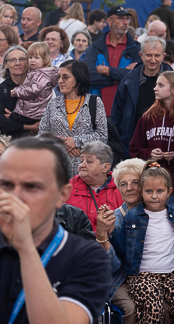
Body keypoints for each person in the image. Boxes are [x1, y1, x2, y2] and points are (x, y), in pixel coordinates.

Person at [0, 136, 113, 324]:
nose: (15, 197)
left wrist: (27, 248)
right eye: (6, 185)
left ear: (62, 195)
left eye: (32, 187)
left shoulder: (87, 257)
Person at [110, 160, 174, 324]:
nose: (154, 196)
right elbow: (120, 248)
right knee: (153, 308)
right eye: (149, 191)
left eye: (159, 191)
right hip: (142, 276)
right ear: (143, 191)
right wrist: (109, 232)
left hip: (172, 274)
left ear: (169, 192)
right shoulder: (132, 216)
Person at [94, 157, 146, 324]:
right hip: (122, 280)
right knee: (132, 308)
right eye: (123, 184)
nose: (129, 188)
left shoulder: (158, 213)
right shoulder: (114, 218)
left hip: (157, 276)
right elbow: (113, 267)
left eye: (135, 182)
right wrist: (102, 236)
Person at [39, 60, 109, 171]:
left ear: (79, 79)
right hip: (58, 167)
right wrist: (63, 142)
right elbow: (43, 133)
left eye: (65, 77)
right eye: (59, 77)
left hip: (87, 169)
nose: (60, 81)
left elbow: (102, 135)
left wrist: (76, 141)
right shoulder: (53, 103)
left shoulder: (94, 102)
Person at [111, 36, 171, 158]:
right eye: (149, 55)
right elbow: (117, 115)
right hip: (132, 146)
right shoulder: (128, 81)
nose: (153, 60)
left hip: (165, 149)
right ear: (141, 55)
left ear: (163, 56)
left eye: (157, 55)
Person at [129, 71, 174, 190]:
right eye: (156, 84)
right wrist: (150, 154)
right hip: (151, 183)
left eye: (160, 85)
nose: (155, 88)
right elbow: (134, 149)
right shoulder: (148, 117)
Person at [86, 6, 142, 119]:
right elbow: (88, 77)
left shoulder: (135, 48)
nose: (125, 22)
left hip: (125, 111)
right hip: (96, 111)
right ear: (109, 21)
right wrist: (120, 76)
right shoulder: (95, 47)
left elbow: (137, 76)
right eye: (120, 18)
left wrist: (107, 70)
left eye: (127, 19)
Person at [65, 140, 122, 231]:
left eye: (89, 161)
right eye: (81, 160)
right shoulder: (68, 187)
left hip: (110, 243)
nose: (82, 165)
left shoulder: (120, 187)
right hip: (77, 243)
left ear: (105, 167)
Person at [9, 42, 59, 128]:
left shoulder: (41, 76)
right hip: (29, 110)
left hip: (33, 113)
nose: (32, 60)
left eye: (36, 58)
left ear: (45, 60)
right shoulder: (34, 72)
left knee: (10, 120)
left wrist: (16, 91)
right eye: (30, 57)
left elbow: (33, 91)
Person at [0, 46, 38, 138]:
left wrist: (12, 117)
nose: (18, 63)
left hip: (38, 138)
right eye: (12, 60)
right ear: (6, 64)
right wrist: (30, 126)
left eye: (22, 59)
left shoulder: (39, 86)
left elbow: (42, 116)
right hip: (8, 138)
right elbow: (2, 122)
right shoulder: (1, 89)